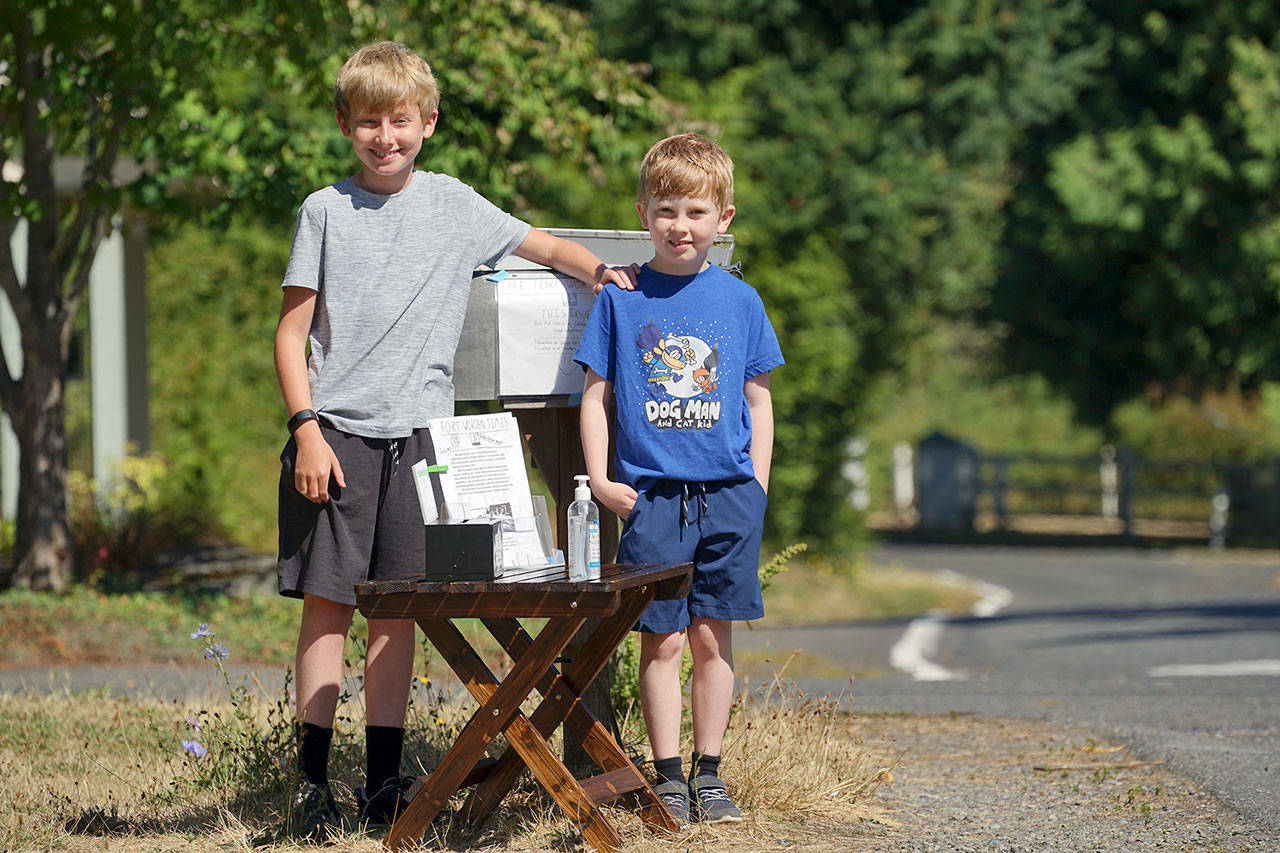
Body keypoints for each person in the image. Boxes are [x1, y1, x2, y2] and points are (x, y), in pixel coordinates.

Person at [274, 41, 637, 840]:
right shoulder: (323, 211)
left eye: (399, 120)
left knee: (402, 614)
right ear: (345, 123)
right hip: (335, 436)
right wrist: (305, 427)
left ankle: (381, 783)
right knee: (330, 611)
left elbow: (541, 243)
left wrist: (600, 271)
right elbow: (293, 329)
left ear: (427, 122)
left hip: (421, 444)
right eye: (367, 121)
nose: (384, 136)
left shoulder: (456, 205)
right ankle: (308, 781)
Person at [573, 132, 783, 824]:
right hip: (652, 497)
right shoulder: (621, 297)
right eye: (666, 210)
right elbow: (596, 394)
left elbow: (758, 398)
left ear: (724, 219)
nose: (680, 226)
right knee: (660, 637)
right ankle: (665, 774)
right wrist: (601, 480)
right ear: (642, 212)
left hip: (726, 494)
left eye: (696, 212)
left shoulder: (739, 300)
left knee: (713, 635)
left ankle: (710, 772)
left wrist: (756, 484)